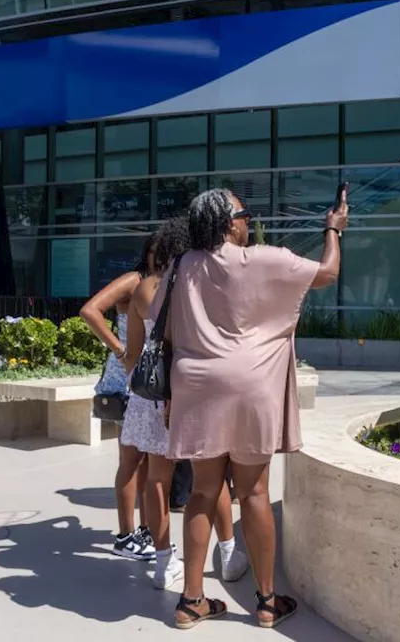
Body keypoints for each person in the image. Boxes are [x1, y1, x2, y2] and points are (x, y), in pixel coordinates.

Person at [160, 188, 347, 630]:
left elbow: (165, 328)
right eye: (244, 215)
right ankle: (265, 601)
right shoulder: (264, 258)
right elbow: (328, 272)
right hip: (250, 387)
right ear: (230, 223)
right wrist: (332, 230)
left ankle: (191, 601)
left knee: (203, 492)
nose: (248, 222)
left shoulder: (181, 265)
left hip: (196, 386)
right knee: (255, 493)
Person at [124, 215, 249, 591]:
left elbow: (132, 356)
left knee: (157, 480)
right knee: (210, 479)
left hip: (153, 395)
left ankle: (164, 563)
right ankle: (228, 555)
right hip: (195, 393)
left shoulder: (145, 289)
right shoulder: (199, 285)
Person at [79, 238, 155, 562]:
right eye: (159, 251)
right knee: (131, 460)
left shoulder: (160, 284)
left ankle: (145, 530)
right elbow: (89, 310)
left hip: (149, 381)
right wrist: (120, 350)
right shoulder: (134, 281)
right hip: (127, 382)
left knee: (150, 461)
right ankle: (126, 536)